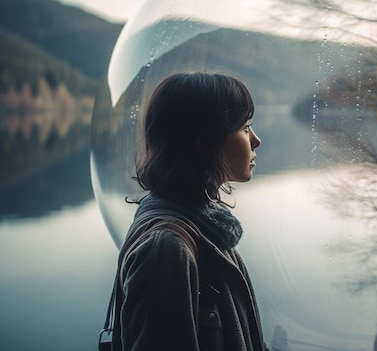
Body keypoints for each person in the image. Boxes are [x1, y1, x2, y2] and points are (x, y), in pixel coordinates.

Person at [107, 71, 266, 351]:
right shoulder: (165, 248)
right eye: (245, 127)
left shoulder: (204, 225)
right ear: (204, 141)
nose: (256, 140)